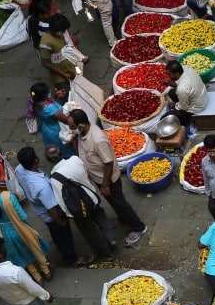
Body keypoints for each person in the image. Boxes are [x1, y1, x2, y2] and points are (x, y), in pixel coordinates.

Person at [70, 109, 148, 247]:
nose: (71, 130)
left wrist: (105, 185)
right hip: (99, 178)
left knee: (120, 203)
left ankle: (139, 227)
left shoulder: (98, 139)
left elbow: (108, 163)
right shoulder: (83, 133)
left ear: (81, 125)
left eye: (72, 127)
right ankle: (123, 218)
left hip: (108, 180)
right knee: (113, 202)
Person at [0, 169, 52, 282]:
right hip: (20, 231)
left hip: (3, 235)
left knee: (21, 255)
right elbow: (23, 217)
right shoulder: (8, 196)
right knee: (34, 249)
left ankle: (36, 276)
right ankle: (46, 271)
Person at [46, 144, 117, 262]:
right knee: (101, 218)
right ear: (61, 153)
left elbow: (61, 199)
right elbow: (86, 175)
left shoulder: (54, 179)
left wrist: (69, 214)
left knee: (90, 231)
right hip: (90, 198)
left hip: (78, 209)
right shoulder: (75, 160)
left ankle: (107, 254)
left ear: (49, 160)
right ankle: (111, 238)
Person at [30, 83, 74, 156]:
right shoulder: (50, 108)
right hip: (57, 130)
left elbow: (48, 100)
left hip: (47, 129)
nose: (50, 91)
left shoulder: (34, 101)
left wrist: (55, 96)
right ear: (44, 95)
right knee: (65, 150)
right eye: (48, 91)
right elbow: (66, 120)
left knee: (55, 149)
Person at [163, 61, 207, 131]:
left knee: (164, 118)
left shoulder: (182, 89)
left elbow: (184, 107)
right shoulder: (186, 68)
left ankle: (186, 122)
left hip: (197, 107)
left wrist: (175, 105)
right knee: (171, 92)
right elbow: (179, 82)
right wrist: (169, 83)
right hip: (201, 94)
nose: (169, 77)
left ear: (176, 74)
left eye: (170, 75)